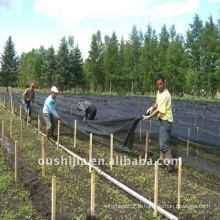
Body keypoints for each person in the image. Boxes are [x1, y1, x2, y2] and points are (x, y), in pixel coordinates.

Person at [143, 74, 174, 172]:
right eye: (158, 84)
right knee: (163, 142)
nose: (159, 86)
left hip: (166, 121)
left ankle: (170, 164)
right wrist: (152, 107)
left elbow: (159, 110)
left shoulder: (166, 95)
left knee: (163, 145)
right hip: (162, 120)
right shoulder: (159, 92)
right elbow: (157, 103)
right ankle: (162, 162)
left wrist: (149, 116)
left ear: (164, 83)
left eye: (161, 84)